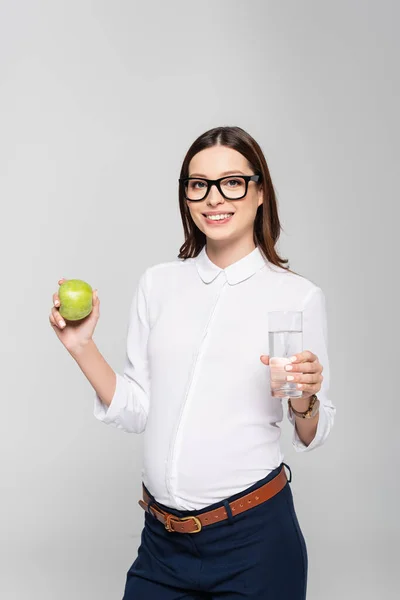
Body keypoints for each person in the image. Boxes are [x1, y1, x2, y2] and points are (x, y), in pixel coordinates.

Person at [49, 126, 336, 599]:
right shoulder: (159, 285)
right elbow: (139, 408)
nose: (213, 198)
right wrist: (82, 346)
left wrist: (305, 396)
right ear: (186, 195)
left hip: (255, 543)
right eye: (198, 183)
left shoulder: (296, 296)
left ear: (260, 191)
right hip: (162, 546)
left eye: (232, 182)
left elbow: (309, 431)